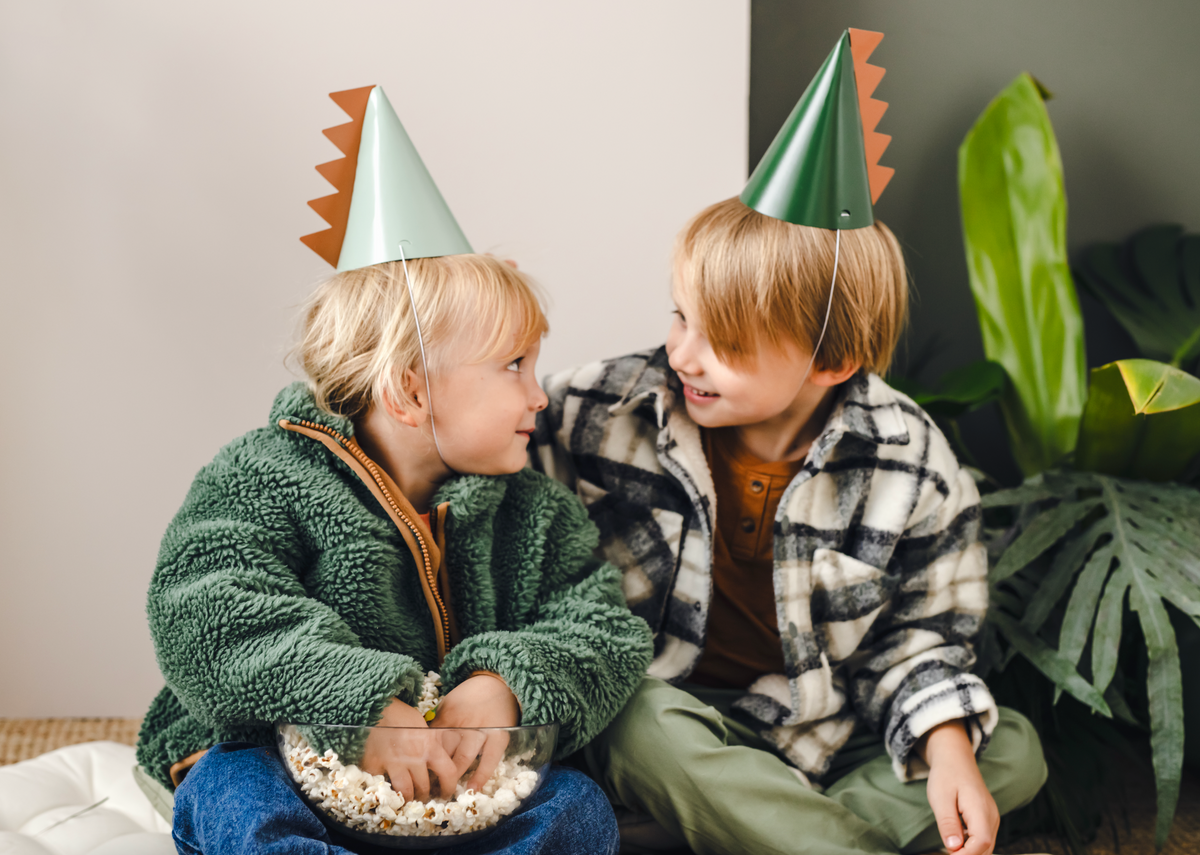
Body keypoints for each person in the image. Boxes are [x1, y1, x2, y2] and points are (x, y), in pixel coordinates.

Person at [530, 30, 1045, 855]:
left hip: (821, 735)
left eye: (725, 342)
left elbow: (922, 638)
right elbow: (489, 463)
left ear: (830, 361)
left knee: (1007, 746)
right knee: (634, 712)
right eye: (680, 315)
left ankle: (737, 828)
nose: (683, 354)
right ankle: (799, 835)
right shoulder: (601, 408)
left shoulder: (912, 461)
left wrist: (948, 747)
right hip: (671, 718)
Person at [136, 85, 652, 855]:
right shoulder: (262, 477)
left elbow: (603, 628)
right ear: (410, 390)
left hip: (451, 784)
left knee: (577, 809)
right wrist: (359, 703)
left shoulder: (536, 512)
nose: (538, 394)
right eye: (513, 365)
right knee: (233, 796)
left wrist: (506, 682)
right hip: (284, 759)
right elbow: (205, 606)